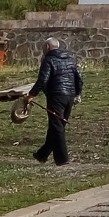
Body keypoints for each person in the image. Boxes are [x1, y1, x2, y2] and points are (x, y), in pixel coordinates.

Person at [26, 36, 83, 167]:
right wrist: (77, 94)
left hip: (56, 96)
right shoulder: (70, 59)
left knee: (57, 127)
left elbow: (42, 80)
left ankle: (62, 160)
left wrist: (31, 95)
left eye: (43, 48)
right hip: (70, 96)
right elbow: (79, 78)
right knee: (58, 125)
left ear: (47, 47)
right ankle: (42, 154)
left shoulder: (48, 59)